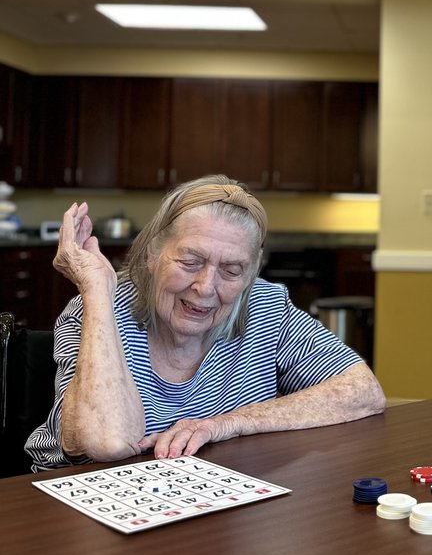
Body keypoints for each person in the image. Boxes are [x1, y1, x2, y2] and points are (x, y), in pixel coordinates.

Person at [26, 175, 386, 469]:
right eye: (190, 262)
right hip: (78, 511)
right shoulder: (97, 308)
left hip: (209, 507)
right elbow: (108, 443)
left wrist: (226, 423)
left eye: (232, 270)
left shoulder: (266, 307)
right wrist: (95, 290)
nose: (205, 287)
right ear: (152, 254)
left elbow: (363, 391)